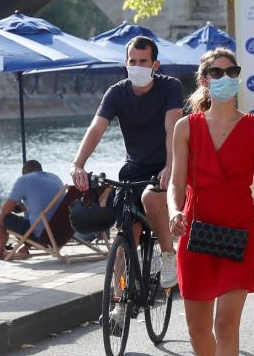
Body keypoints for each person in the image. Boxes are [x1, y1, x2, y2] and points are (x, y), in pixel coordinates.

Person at [168, 48, 254, 356]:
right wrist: (174, 210)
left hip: (240, 233)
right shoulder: (186, 127)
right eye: (218, 71)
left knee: (225, 323)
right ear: (204, 79)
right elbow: (176, 183)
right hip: (196, 233)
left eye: (233, 70)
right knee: (198, 331)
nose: (227, 75)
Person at [71, 36, 183, 287]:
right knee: (125, 233)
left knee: (151, 199)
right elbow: (97, 128)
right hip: (133, 168)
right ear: (125, 63)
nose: (138, 66)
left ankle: (167, 256)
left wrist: (170, 166)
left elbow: (172, 128)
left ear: (155, 65)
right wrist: (78, 163)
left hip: (166, 163)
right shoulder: (117, 92)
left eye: (144, 61)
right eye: (133, 61)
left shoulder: (170, 87)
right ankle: (118, 301)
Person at [0, 160, 64, 260]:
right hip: (60, 234)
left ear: (24, 173)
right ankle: (24, 249)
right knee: (35, 219)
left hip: (42, 236)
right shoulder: (55, 178)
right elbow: (46, 206)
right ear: (40, 170)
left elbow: (4, 211)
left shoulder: (23, 180)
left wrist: (15, 206)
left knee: (0, 217)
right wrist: (27, 208)